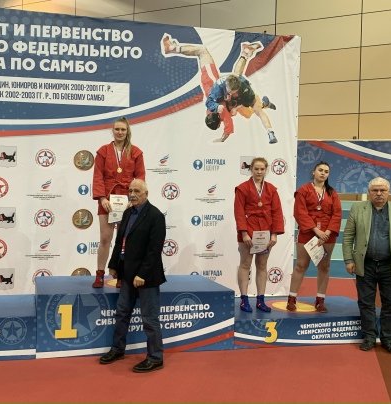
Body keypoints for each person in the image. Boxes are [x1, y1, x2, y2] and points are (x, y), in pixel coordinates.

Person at [99, 179, 166, 372]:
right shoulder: (127, 213)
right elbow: (120, 240)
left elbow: (154, 250)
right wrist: (113, 265)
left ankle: (155, 357)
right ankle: (117, 349)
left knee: (150, 319)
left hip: (146, 277)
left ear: (146, 194)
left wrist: (142, 274)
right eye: (130, 191)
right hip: (127, 274)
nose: (132, 194)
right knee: (122, 313)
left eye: (137, 191)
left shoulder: (156, 216)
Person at [161, 34, 277, 144]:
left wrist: (222, 138)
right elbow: (227, 122)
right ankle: (263, 103)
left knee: (247, 107)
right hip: (232, 96)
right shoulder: (221, 105)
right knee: (248, 111)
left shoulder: (217, 98)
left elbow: (226, 121)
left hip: (226, 93)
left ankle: (246, 53)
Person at [92, 117, 146, 288]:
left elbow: (140, 178)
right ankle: (100, 274)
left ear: (127, 131)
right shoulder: (103, 151)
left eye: (123, 129)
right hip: (107, 198)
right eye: (117, 129)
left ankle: (122, 274)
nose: (120, 132)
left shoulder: (136, 152)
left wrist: (133, 199)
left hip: (127, 199)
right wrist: (102, 198)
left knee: (124, 240)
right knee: (105, 238)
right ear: (113, 131)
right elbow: (98, 176)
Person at [342, 177, 391, 352]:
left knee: (390, 304)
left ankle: (388, 338)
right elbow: (348, 236)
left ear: (388, 192)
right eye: (375, 190)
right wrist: (349, 260)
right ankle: (369, 337)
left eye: (382, 190)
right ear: (369, 192)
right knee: (365, 303)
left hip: (389, 266)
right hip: (365, 264)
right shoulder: (357, 209)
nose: (379, 193)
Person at [287, 162, 342, 312]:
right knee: (301, 265)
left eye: (326, 171)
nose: (323, 173)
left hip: (327, 235)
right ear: (314, 172)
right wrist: (316, 231)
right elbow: (300, 212)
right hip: (308, 232)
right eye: (320, 170)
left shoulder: (332, 193)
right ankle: (291, 298)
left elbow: (337, 214)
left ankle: (320, 300)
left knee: (324, 266)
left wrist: (327, 232)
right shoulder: (303, 190)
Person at [234, 157, 284, 312]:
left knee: (262, 265)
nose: (259, 172)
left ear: (266, 170)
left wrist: (274, 234)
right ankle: (244, 299)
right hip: (248, 231)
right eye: (256, 169)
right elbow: (239, 212)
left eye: (262, 169)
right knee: (245, 264)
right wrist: (244, 233)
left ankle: (261, 300)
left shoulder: (271, 190)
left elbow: (277, 213)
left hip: (265, 232)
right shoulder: (242, 188)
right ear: (251, 170)